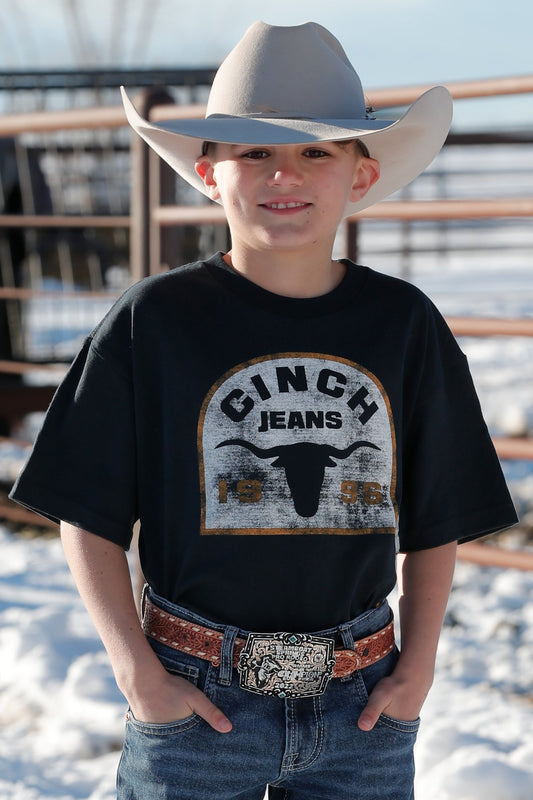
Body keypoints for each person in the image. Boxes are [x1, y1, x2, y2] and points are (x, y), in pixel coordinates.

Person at [10, 20, 517, 800]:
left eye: (316, 151)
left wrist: (416, 670)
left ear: (359, 174)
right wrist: (135, 671)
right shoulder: (156, 320)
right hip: (195, 696)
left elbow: (435, 514)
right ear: (211, 175)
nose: (286, 175)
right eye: (256, 153)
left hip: (362, 705)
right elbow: (86, 508)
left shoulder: (402, 323)